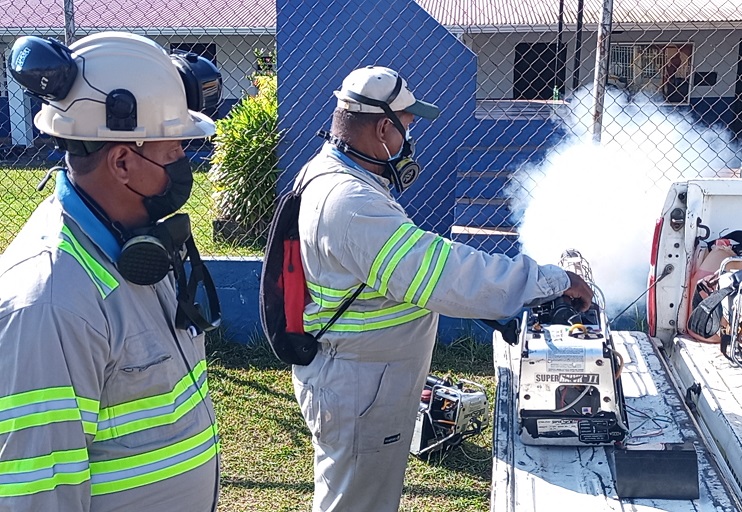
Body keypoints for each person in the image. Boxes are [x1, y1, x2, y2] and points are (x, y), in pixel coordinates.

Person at [291, 65, 594, 511]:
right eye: (406, 128)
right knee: (358, 503)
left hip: (360, 378)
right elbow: (444, 274)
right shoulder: (352, 203)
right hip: (361, 388)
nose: (408, 142)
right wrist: (548, 279)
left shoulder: (332, 174)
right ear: (381, 129)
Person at [0, 32, 221, 511]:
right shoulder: (52, 303)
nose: (184, 160)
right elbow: (39, 498)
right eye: (173, 150)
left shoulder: (137, 244)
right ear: (123, 161)